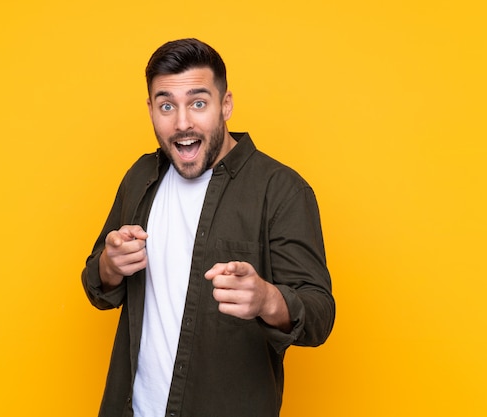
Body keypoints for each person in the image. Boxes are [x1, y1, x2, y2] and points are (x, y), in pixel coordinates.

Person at [82, 38, 335, 417]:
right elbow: (95, 283)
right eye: (167, 105)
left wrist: (267, 299)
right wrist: (109, 265)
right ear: (151, 109)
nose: (182, 122)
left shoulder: (281, 189)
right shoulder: (140, 177)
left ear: (226, 104)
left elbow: (319, 315)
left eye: (198, 103)